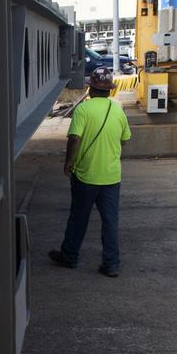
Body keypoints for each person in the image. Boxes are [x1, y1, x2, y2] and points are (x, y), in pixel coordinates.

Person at [48, 65, 132, 277]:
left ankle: (70, 256)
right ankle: (111, 264)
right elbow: (125, 140)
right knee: (110, 222)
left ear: (91, 89)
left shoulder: (84, 110)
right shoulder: (118, 110)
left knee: (78, 217)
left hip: (85, 175)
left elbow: (74, 138)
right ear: (110, 89)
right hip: (111, 177)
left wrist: (68, 163)